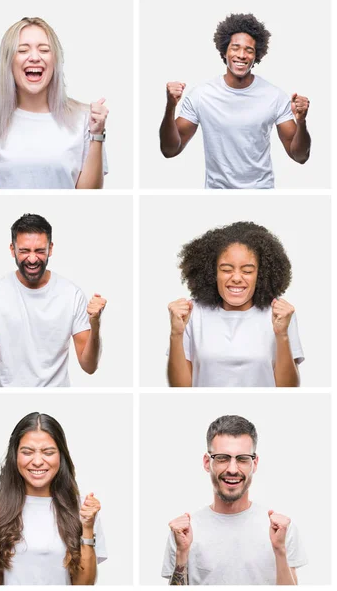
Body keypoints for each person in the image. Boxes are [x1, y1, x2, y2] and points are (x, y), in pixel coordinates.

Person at [159, 13, 311, 189]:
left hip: (261, 191)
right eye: (235, 47)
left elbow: (300, 156)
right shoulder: (201, 95)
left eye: (249, 50)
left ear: (256, 56)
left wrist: (301, 122)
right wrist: (171, 106)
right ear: (224, 51)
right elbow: (169, 150)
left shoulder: (274, 96)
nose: (241, 55)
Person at [0, 17, 109, 189]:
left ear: (55, 61)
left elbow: (88, 198)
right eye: (23, 50)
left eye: (44, 50)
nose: (34, 57)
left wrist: (97, 135)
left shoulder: (85, 119)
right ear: (8, 61)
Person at [162, 415, 306, 585]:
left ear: (255, 463)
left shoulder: (280, 529)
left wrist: (279, 550)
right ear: (207, 462)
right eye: (222, 458)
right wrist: (182, 553)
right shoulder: (184, 532)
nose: (232, 469)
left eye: (242, 459)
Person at [0, 213, 106, 386]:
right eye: (24, 251)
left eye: (39, 251)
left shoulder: (71, 294)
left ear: (51, 249)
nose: (32, 259)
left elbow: (89, 366)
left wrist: (96, 324)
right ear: (12, 250)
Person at [0, 412, 107, 584]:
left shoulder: (84, 509)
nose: (38, 461)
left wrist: (87, 526)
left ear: (61, 456)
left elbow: (84, 585)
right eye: (27, 452)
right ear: (15, 455)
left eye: (48, 452)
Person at [167, 221, 303, 387]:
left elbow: (287, 389)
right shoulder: (191, 313)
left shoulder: (279, 314)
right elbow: (180, 389)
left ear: (260, 274)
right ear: (212, 273)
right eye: (226, 269)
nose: (237, 278)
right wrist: (176, 333)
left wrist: (282, 335)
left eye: (247, 271)